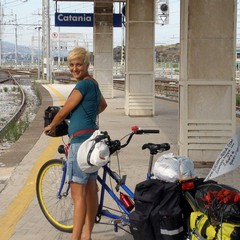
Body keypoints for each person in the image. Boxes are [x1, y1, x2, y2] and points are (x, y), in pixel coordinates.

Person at [44, 47, 107, 240]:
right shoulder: (93, 84)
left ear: (87, 65)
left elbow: (63, 111)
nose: (74, 68)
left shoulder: (82, 86)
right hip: (92, 144)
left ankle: (76, 238)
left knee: (78, 196)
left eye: (79, 64)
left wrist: (51, 126)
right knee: (90, 191)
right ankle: (87, 235)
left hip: (80, 144)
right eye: (71, 65)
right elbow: (103, 105)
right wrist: (85, 114)